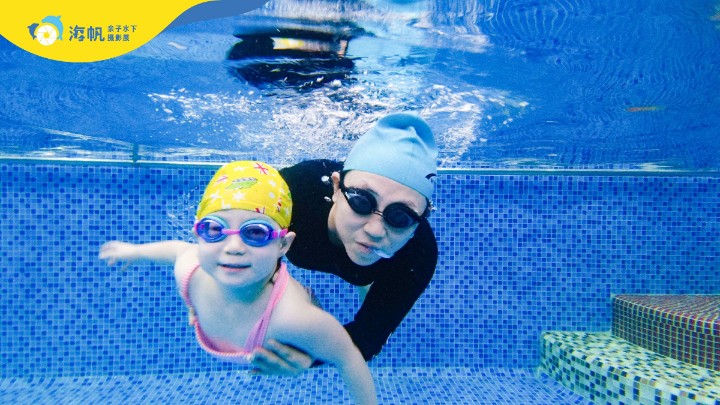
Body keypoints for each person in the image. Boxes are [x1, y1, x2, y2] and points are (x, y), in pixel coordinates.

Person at [99, 161, 377, 405]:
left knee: (308, 301)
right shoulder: (190, 272)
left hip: (284, 302)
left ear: (283, 245)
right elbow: (177, 251)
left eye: (255, 232)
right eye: (214, 229)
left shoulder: (295, 319)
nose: (232, 247)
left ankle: (358, 283)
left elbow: (348, 358)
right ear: (198, 234)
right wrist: (133, 251)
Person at [250, 112, 439, 374]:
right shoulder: (292, 192)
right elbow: (234, 239)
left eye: (401, 217)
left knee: (369, 281)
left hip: (372, 270)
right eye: (361, 201)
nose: (374, 230)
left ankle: (367, 283)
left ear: (418, 223)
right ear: (336, 188)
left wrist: (312, 354)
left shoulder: (417, 252)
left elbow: (367, 339)